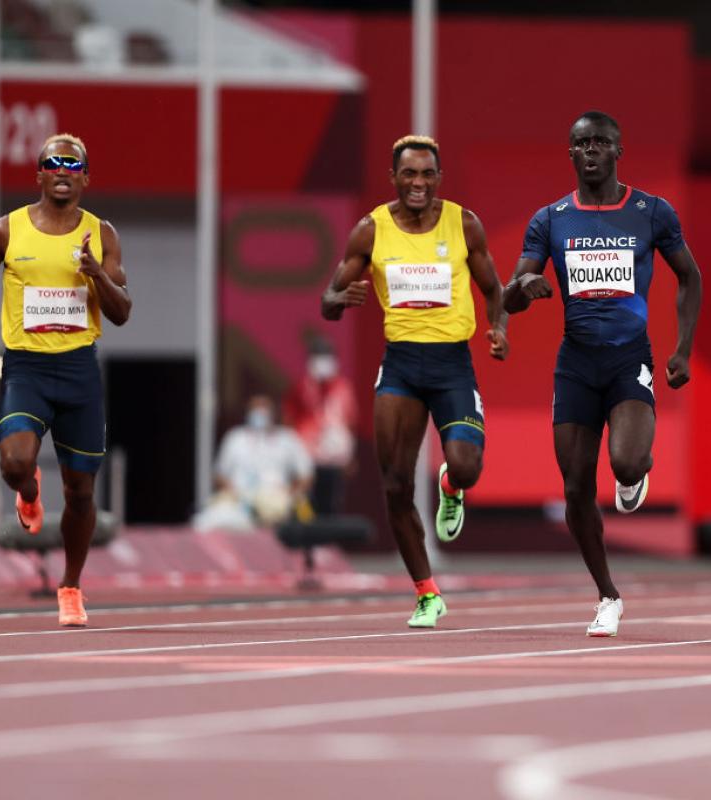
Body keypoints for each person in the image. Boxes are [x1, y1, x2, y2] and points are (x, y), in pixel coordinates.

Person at [503, 110, 703, 637]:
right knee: (574, 490)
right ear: (570, 154)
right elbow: (510, 295)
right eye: (581, 143)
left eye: (601, 142)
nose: (591, 151)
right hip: (576, 364)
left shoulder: (650, 211)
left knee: (627, 461)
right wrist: (522, 291)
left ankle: (636, 473)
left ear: (618, 150)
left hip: (627, 357)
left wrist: (682, 348)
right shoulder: (550, 220)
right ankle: (607, 595)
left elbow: (689, 276)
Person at [320, 135, 507, 629]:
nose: (418, 183)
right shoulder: (370, 230)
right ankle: (427, 593)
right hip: (401, 366)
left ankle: (451, 484)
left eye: (427, 174)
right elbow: (329, 298)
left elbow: (493, 288)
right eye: (409, 174)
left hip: (452, 364)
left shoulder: (463, 224)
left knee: (466, 467)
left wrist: (499, 327)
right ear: (394, 178)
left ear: (438, 179)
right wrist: (340, 300)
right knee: (395, 485)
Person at [0, 133, 131, 628]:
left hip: (78, 369)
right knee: (14, 462)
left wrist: (96, 273)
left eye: (71, 164)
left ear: (85, 177)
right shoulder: (5, 232)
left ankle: (71, 586)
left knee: (80, 493)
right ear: (38, 174)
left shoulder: (103, 235)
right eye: (51, 162)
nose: (61, 169)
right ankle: (27, 491)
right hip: (27, 368)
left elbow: (121, 312)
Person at [193, 395, 314, 532]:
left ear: (272, 413)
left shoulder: (287, 439)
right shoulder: (235, 438)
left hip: (276, 504)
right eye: (255, 409)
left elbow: (306, 476)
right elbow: (219, 475)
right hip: (239, 503)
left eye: (263, 409)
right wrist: (235, 493)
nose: (259, 414)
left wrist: (289, 494)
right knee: (207, 521)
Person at [283, 336, 358, 515]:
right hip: (306, 456)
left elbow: (350, 422)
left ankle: (327, 539)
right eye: (318, 357)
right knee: (305, 503)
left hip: (334, 458)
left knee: (331, 502)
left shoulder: (343, 388)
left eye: (326, 357)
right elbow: (288, 418)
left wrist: (350, 456)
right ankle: (308, 538)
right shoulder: (301, 388)